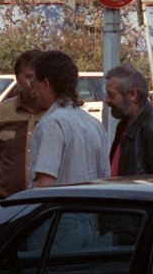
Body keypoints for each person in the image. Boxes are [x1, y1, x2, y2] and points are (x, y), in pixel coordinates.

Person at [28, 50, 108, 188]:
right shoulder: (94, 124)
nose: (32, 91)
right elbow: (105, 177)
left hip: (62, 208)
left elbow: (45, 184)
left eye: (33, 85)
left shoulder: (52, 124)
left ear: (46, 84)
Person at [0, 49, 46, 202]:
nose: (33, 83)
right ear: (18, 79)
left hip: (45, 202)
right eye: (28, 77)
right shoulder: (0, 114)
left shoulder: (54, 115)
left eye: (38, 77)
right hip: (8, 201)